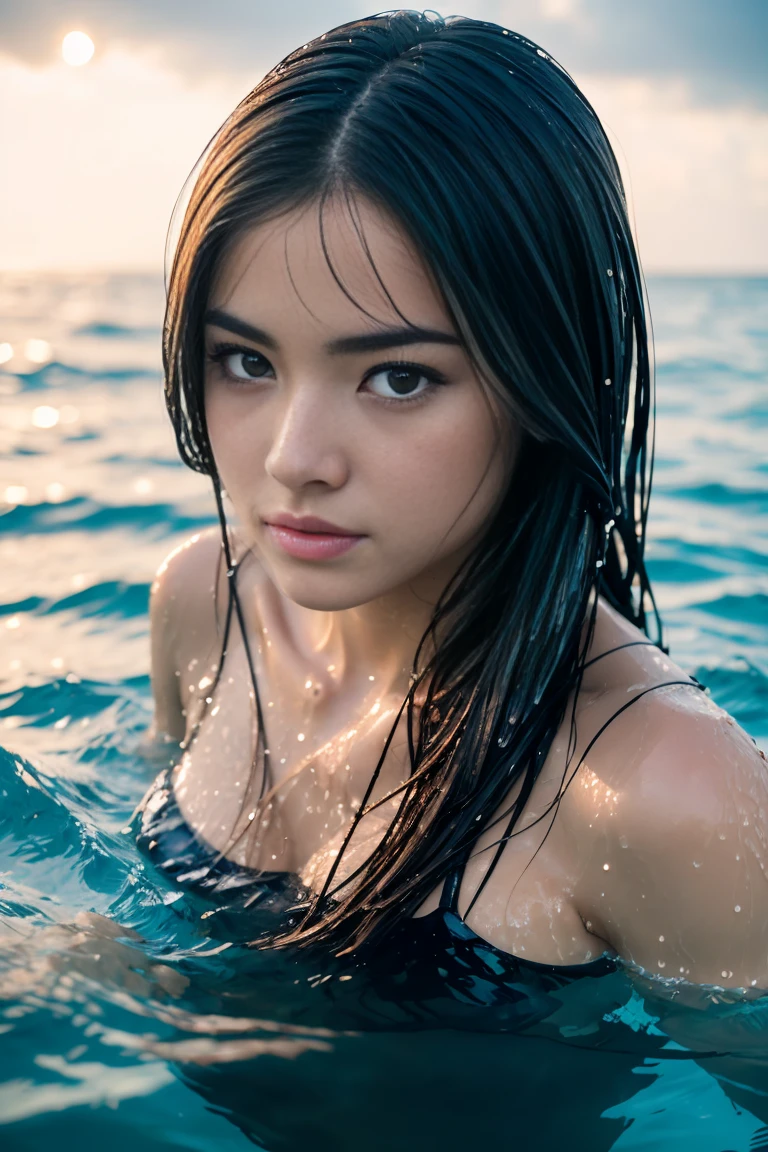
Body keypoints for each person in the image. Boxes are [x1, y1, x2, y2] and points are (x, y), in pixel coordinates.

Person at [139, 8, 768, 999]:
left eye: (397, 378)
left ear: (546, 378)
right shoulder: (201, 604)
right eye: (246, 361)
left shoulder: (664, 790)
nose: (294, 459)